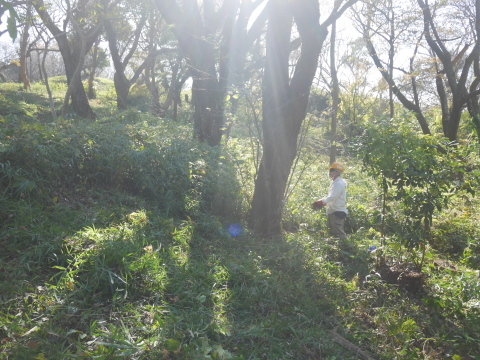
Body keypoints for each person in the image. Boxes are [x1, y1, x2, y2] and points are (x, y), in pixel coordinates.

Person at [312, 162, 348, 239]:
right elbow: (333, 198)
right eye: (330, 170)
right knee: (332, 234)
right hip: (332, 210)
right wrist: (324, 203)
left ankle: (346, 249)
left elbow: (333, 197)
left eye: (332, 170)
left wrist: (321, 202)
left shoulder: (339, 183)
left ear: (337, 172)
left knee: (339, 234)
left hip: (337, 212)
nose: (330, 172)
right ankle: (334, 250)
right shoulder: (334, 182)